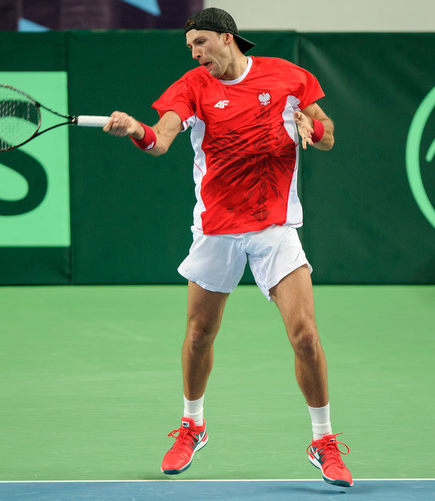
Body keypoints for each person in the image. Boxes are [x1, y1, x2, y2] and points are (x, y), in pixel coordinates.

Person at [103, 7, 352, 488]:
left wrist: (312, 129)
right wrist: (136, 130)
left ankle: (323, 442)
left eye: (200, 43)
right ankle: (192, 426)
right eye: (190, 47)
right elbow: (160, 141)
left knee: (305, 336)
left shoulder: (289, 76)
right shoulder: (192, 87)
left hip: (275, 227)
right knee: (199, 335)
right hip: (216, 229)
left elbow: (328, 134)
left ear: (227, 38)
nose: (196, 54)